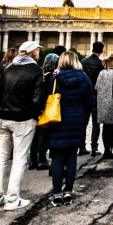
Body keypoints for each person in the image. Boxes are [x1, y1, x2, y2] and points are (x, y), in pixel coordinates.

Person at [0, 41, 46, 210]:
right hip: (24, 119)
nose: (38, 53)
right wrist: (35, 114)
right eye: (37, 50)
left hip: (5, 117)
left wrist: (2, 108)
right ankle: (13, 198)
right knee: (20, 158)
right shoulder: (36, 70)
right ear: (32, 53)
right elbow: (37, 98)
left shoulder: (8, 69)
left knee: (2, 157)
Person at [45, 51, 95, 206]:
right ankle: (68, 192)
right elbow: (90, 102)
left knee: (58, 158)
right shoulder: (84, 78)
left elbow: (46, 99)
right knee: (72, 157)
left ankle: (57, 193)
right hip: (77, 121)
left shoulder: (55, 79)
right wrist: (81, 114)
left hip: (57, 120)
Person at [80, 41, 106, 156]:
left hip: (84, 96)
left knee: (83, 123)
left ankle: (81, 147)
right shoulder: (100, 64)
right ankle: (94, 147)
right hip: (96, 96)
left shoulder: (83, 62)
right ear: (101, 51)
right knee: (96, 123)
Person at [94, 55, 113, 159]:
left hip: (102, 104)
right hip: (112, 104)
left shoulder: (101, 73)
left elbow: (96, 87)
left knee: (105, 127)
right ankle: (110, 149)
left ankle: (106, 149)